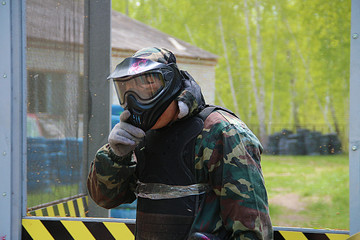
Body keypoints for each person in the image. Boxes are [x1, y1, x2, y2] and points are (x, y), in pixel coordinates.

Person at [87, 47, 273, 240]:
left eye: (147, 87)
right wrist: (116, 156)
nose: (132, 100)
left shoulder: (221, 132)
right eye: (126, 91)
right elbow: (105, 198)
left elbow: (253, 229)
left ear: (170, 84)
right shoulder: (141, 139)